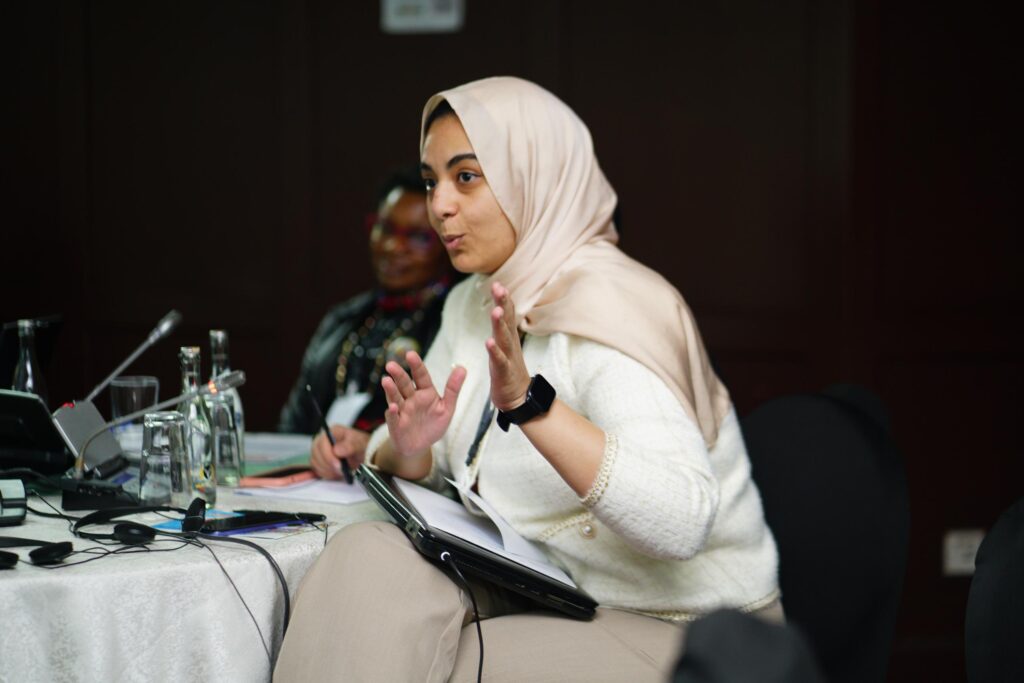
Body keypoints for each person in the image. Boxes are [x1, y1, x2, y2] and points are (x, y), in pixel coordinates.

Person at [274, 77, 780, 681]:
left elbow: (680, 522)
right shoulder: (471, 301)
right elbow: (430, 459)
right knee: (361, 556)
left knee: (437, 665)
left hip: (678, 622)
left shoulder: (617, 306)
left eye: (466, 177)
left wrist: (530, 405)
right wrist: (409, 447)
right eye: (433, 181)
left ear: (536, 176)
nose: (440, 205)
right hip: (538, 584)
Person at [278, 166, 453, 480]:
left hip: (397, 481)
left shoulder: (451, 323)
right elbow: (294, 424)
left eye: (418, 237)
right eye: (385, 228)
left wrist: (369, 447)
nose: (393, 246)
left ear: (445, 242)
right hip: (315, 480)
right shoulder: (342, 319)